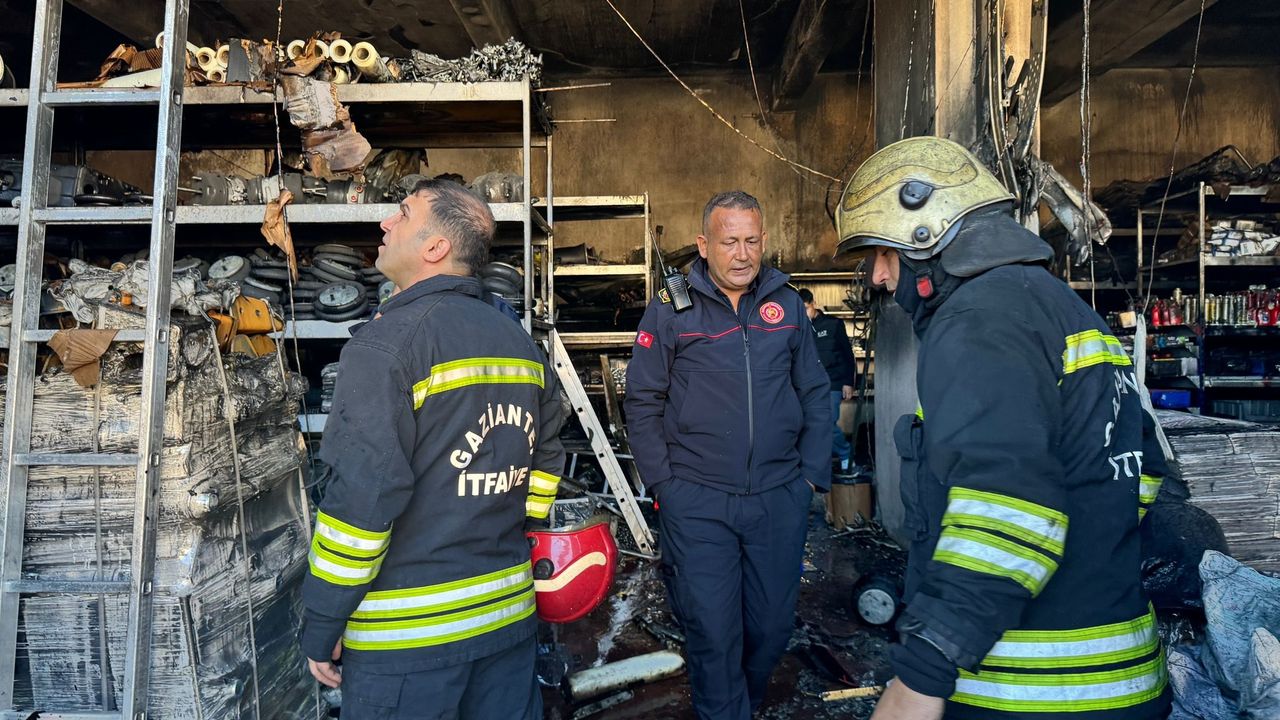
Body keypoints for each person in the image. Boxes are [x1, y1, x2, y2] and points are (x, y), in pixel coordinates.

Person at [834, 137, 1170, 720]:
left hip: (1029, 691)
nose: (879, 277)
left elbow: (1004, 508)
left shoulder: (979, 319)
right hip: (1120, 679)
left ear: (928, 232)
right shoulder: (1059, 307)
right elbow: (1143, 473)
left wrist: (922, 675)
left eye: (881, 252)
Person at [298, 179, 565, 720]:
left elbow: (362, 503)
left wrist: (323, 621)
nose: (384, 224)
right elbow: (547, 461)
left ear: (435, 247)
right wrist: (498, 526)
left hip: (408, 648)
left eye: (401, 213)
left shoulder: (386, 346)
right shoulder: (518, 342)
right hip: (505, 623)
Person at [625, 191, 831, 720]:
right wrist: (663, 485)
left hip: (778, 496)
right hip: (697, 499)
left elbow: (813, 391)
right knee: (713, 631)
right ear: (703, 244)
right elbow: (643, 400)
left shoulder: (784, 306)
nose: (742, 254)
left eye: (752, 241)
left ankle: (743, 703)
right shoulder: (670, 311)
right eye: (729, 241)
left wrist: (809, 477)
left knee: (769, 628)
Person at [797, 287, 858, 477]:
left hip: (833, 383)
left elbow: (848, 355)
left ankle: (846, 455)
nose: (804, 314)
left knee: (826, 424)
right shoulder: (797, 328)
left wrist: (848, 382)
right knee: (806, 425)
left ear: (813, 304)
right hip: (806, 386)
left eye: (806, 309)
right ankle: (815, 466)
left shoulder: (833, 324)